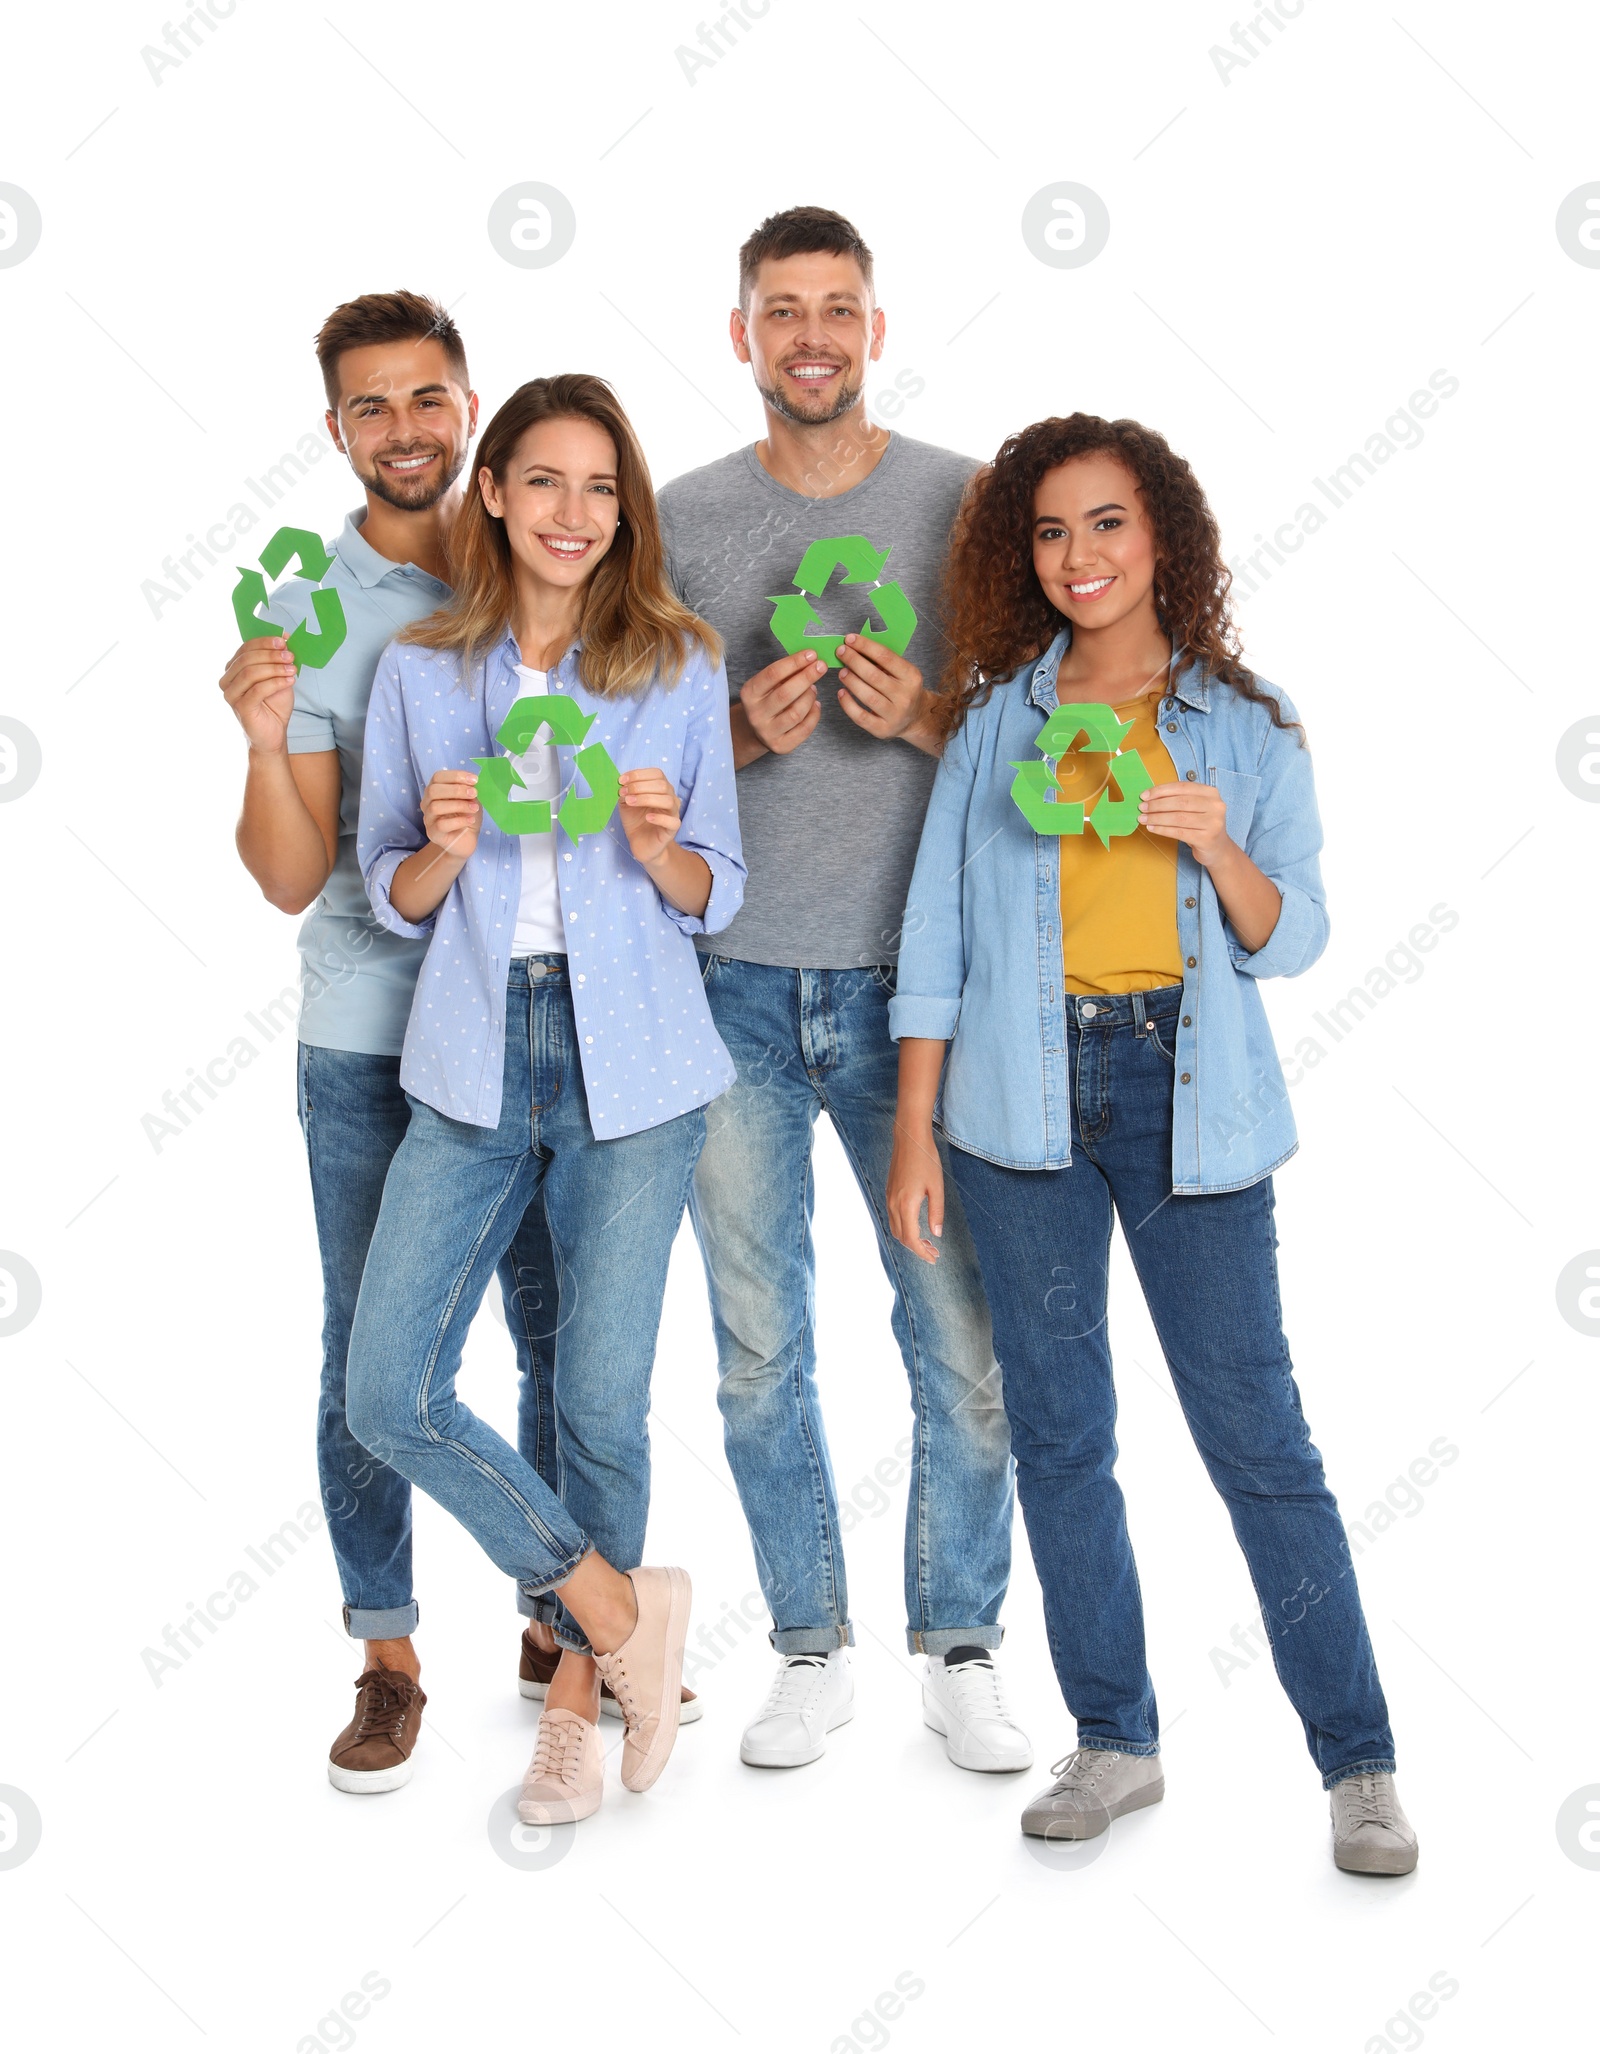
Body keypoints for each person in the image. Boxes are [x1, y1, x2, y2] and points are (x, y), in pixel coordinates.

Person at [886, 412, 1418, 1874]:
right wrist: (916, 1132)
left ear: (1163, 534)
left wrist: (1213, 841)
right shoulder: (996, 722)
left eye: (1107, 523)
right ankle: (1116, 1739)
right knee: (1062, 1439)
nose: (1079, 556)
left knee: (1261, 1441)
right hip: (1017, 1110)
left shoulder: (1249, 722)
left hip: (1193, 1106)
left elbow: (1295, 932)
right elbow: (932, 931)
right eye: (1050, 531)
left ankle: (1358, 1765)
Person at [658, 206, 1029, 1775]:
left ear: (877, 328)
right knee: (758, 1350)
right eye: (781, 308)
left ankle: (960, 1641)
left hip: (913, 999)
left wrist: (937, 716)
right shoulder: (674, 521)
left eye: (840, 307)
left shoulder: (962, 506)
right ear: (740, 333)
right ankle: (807, 1643)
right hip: (724, 988)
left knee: (963, 1341)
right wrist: (729, 743)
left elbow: (1044, 737)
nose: (812, 332)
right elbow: (622, 770)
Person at [348, 373, 744, 1824]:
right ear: (497, 491)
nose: (575, 514)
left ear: (620, 510)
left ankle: (575, 1697)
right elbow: (392, 896)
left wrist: (664, 848)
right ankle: (622, 1605)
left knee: (596, 1398)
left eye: (602, 489)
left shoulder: (675, 665)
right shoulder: (421, 675)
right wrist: (442, 850)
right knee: (388, 1389)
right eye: (547, 482)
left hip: (636, 1061)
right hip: (471, 1055)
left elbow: (720, 890)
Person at [219, 291, 563, 1793]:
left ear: (468, 403)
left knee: (552, 1326)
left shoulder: (547, 553)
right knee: (369, 1349)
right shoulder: (302, 614)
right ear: (338, 429)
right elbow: (292, 875)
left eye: (429, 398)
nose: (406, 429)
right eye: (374, 406)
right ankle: (388, 1651)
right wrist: (260, 735)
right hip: (368, 1028)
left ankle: (558, 1613)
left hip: (534, 1014)